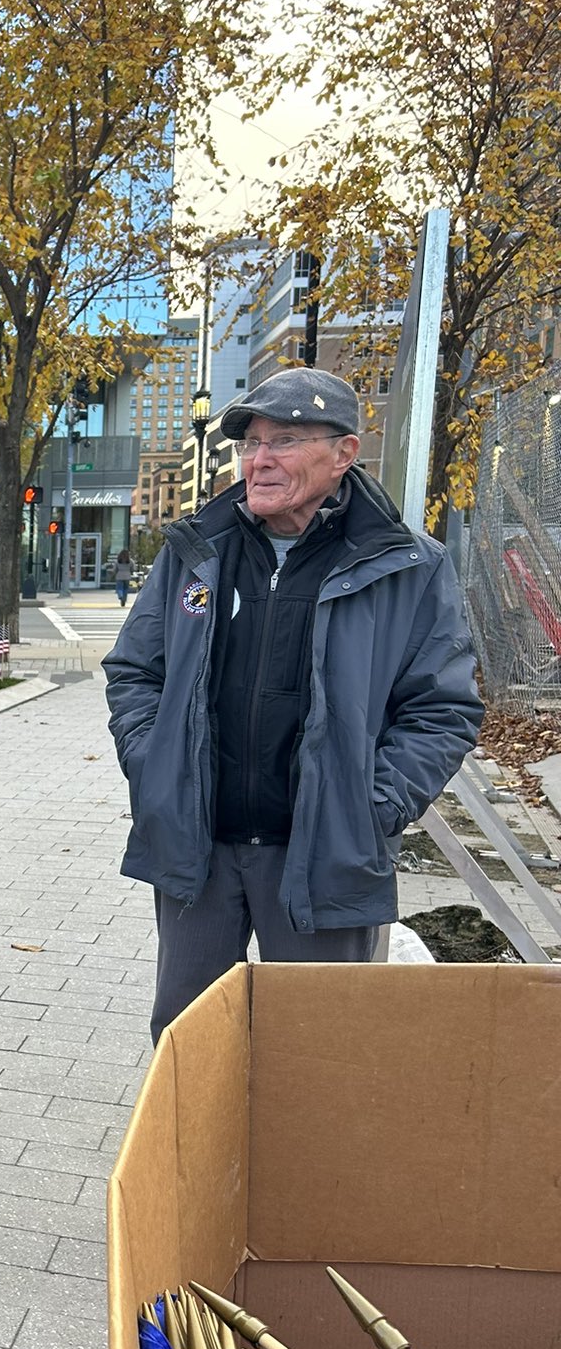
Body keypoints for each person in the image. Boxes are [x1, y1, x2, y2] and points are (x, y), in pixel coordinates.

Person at [104, 365, 482, 1044]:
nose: (259, 460)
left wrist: (372, 808)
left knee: (321, 1052)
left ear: (343, 454)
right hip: (201, 849)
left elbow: (442, 710)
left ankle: (302, 1157)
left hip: (325, 855)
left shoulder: (409, 566)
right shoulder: (198, 550)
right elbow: (136, 671)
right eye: (251, 444)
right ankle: (196, 1157)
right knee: (189, 1047)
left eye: (283, 441)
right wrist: (154, 768)